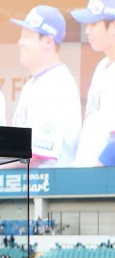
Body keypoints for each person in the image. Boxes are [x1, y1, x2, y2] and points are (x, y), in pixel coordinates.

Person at [11, 6, 82, 168]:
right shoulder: (33, 84)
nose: (20, 43)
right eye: (21, 36)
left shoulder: (57, 84)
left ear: (48, 42)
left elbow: (36, 155)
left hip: (52, 188)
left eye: (27, 36)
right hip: (28, 187)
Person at [71, 0, 115, 167]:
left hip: (106, 179)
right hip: (89, 174)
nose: (87, 30)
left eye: (94, 24)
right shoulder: (101, 66)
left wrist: (98, 168)